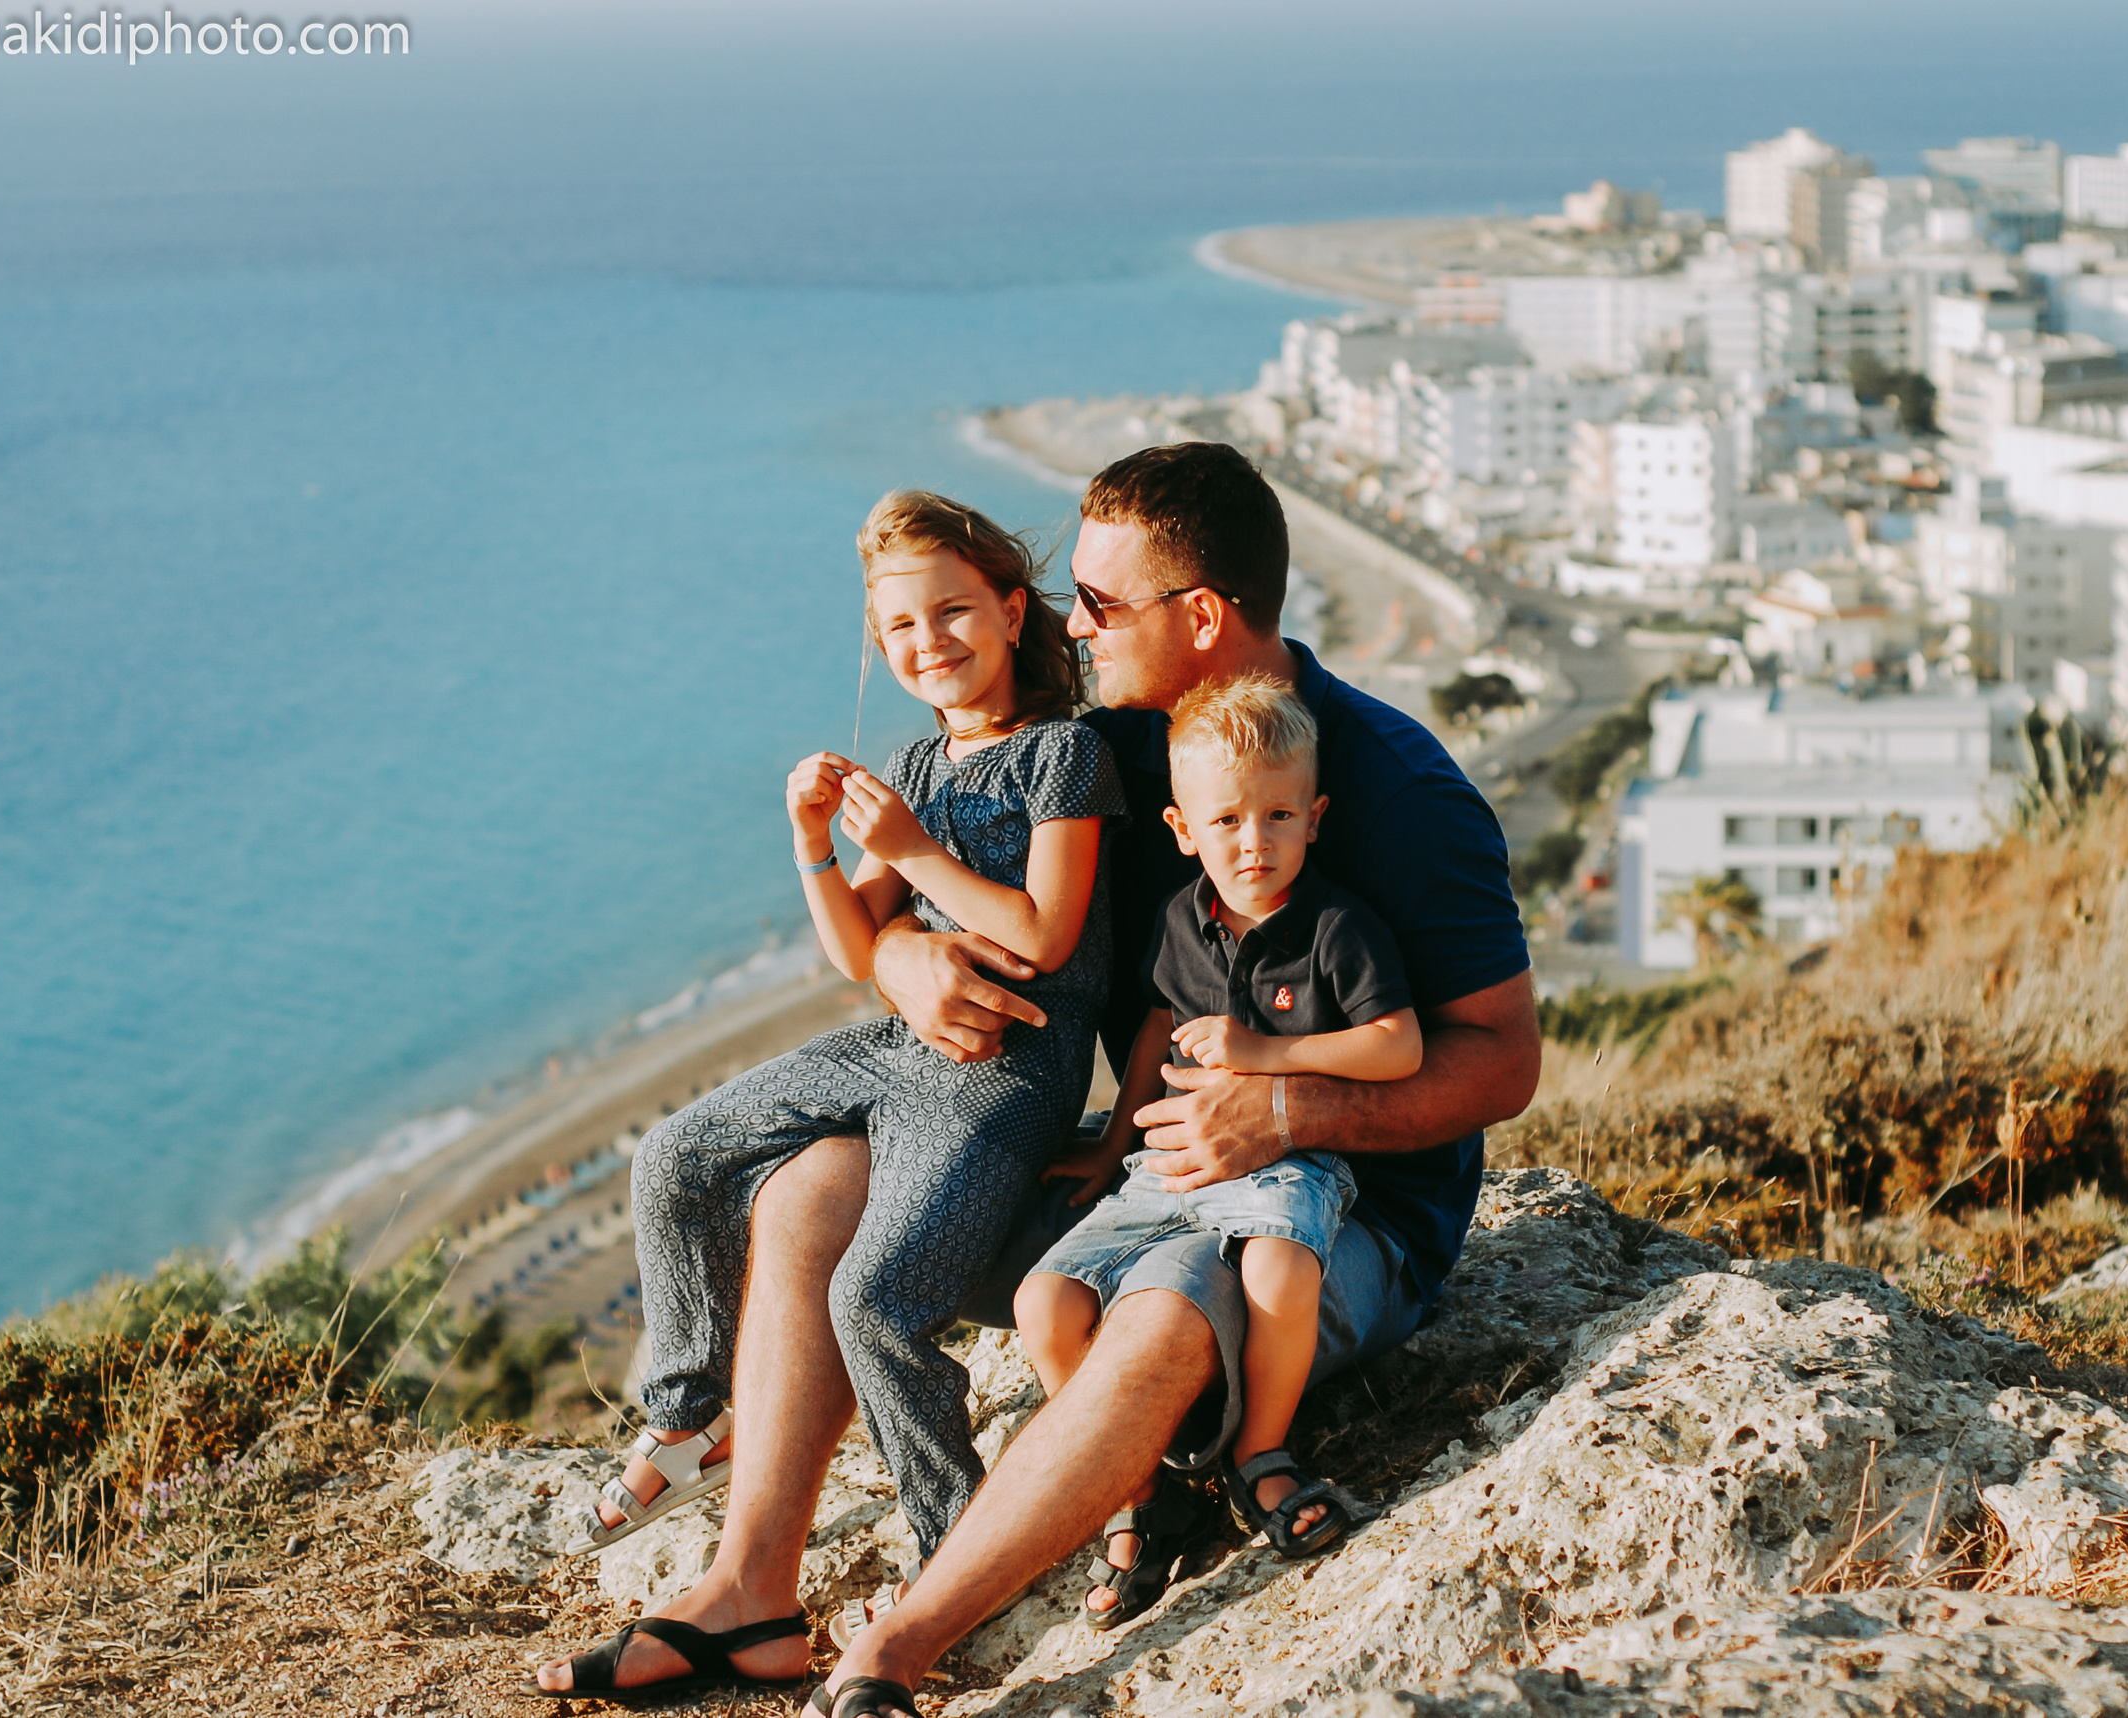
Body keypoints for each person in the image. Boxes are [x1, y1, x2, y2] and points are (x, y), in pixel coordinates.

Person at [534, 442, 1536, 1712]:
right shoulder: (1112, 748)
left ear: (1205, 617)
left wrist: (1286, 1105)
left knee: (1163, 1311)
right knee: (807, 1190)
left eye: (1102, 605)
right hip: (1130, 1160)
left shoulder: (1397, 794)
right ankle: (750, 1595)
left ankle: (897, 1647)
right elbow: (990, 900)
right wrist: (899, 954)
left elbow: (1504, 1062)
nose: (1071, 623)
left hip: (1336, 1212)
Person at [537, 490, 1122, 1701]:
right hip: (891, 1041)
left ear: (1013, 610)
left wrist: (910, 850)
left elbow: (1049, 935)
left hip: (1004, 1073)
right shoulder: (912, 759)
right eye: (899, 628)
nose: (929, 644)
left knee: (875, 1297)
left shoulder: (1066, 752)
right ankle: (690, 1415)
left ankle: (952, 1548)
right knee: (678, 1154)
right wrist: (812, 842)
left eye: (953, 611)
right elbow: (860, 948)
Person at [1018, 672, 1420, 1584]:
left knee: (1279, 1265)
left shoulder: (1336, 928)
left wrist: (1262, 1054)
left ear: (1314, 817)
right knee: (1045, 1305)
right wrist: (1114, 1143)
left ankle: (1260, 1457)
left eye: (1278, 816)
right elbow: (1159, 1025)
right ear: (1181, 830)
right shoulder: (1180, 918)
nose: (1254, 843)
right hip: (1168, 1164)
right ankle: (1132, 1489)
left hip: (1288, 1157)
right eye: (1228, 821)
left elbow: (1397, 1047)